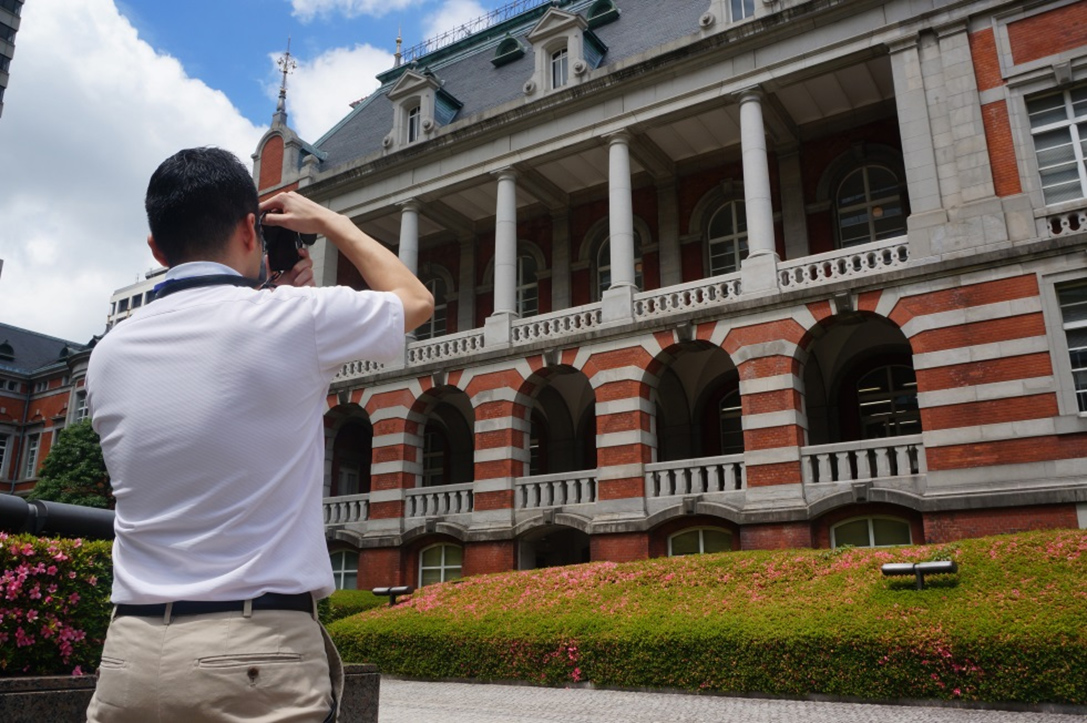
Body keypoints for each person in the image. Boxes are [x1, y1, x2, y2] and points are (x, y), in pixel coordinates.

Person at [84, 147, 433, 723]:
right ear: (252, 227)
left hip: (130, 658)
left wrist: (275, 300)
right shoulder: (293, 320)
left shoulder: (109, 353)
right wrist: (331, 221)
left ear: (157, 248)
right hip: (256, 651)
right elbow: (415, 301)